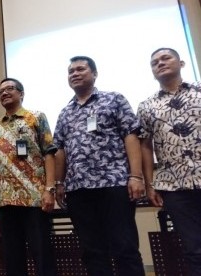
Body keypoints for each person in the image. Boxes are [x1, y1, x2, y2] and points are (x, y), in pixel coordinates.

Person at [54, 56, 146, 276]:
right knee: (91, 251)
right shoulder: (65, 112)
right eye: (70, 71)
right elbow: (60, 150)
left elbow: (131, 136)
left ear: (94, 74)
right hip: (78, 190)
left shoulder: (114, 99)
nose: (74, 74)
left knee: (124, 246)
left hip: (114, 184)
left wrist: (136, 176)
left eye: (80, 69)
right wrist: (58, 183)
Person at [137, 47, 201, 275]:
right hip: (174, 187)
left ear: (182, 63)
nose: (160, 63)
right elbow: (145, 145)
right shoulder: (146, 106)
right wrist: (149, 183)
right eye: (154, 62)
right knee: (194, 248)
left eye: (166, 58)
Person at [0, 78, 57, 276]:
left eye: (10, 89)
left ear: (21, 93)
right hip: (5, 201)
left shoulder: (36, 117)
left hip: (34, 198)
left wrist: (50, 189)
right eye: (1, 92)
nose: (5, 93)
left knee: (42, 255)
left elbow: (49, 153)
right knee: (12, 257)